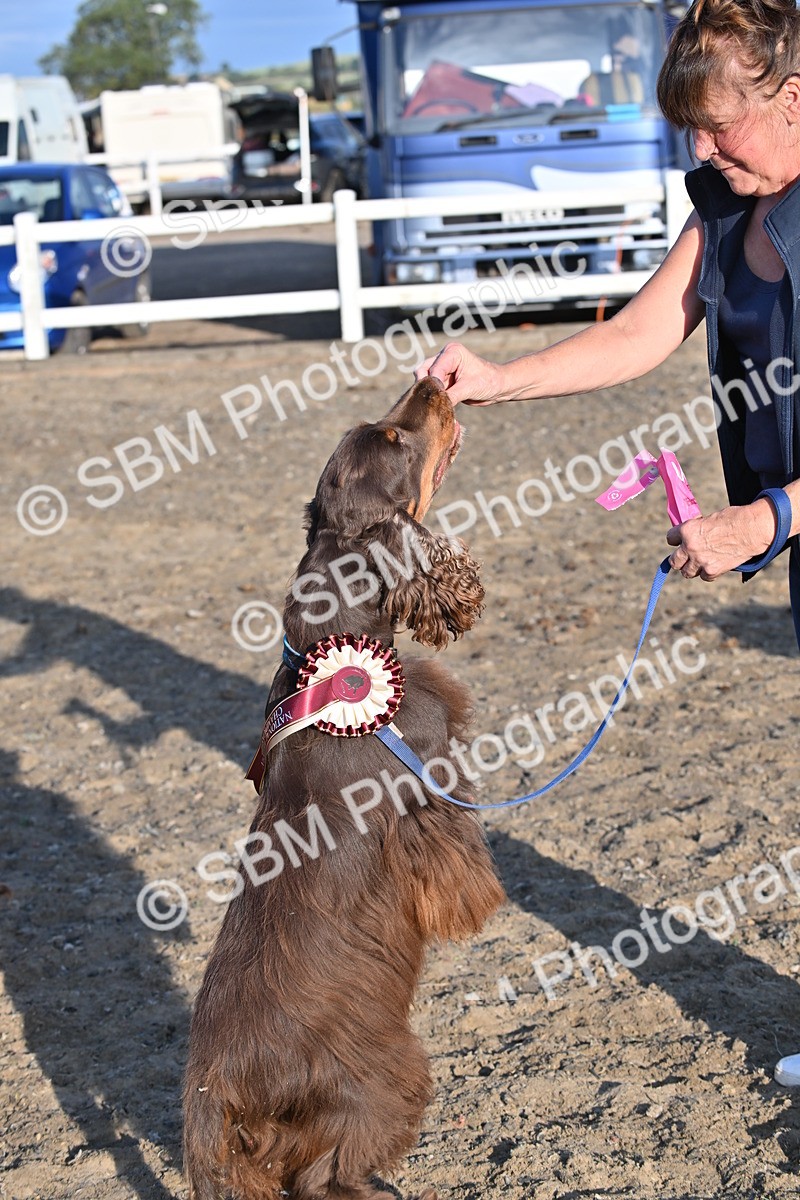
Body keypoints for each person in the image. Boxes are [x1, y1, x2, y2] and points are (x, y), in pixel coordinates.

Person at [416, 0, 800, 1084]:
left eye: (718, 124)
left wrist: (765, 516)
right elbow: (639, 332)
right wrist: (500, 380)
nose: (700, 148)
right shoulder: (727, 206)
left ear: (792, 98)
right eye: (688, 128)